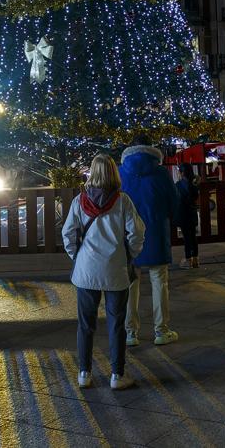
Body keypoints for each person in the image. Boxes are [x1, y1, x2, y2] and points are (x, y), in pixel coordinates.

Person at [63, 153, 144, 391]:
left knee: (85, 324)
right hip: (115, 269)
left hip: (87, 270)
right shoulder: (123, 201)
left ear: (92, 173)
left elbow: (68, 233)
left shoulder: (79, 201)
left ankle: (84, 373)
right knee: (117, 323)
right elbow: (137, 233)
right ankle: (117, 374)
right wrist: (130, 254)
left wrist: (76, 256)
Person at [119, 134, 180, 345]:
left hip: (128, 234)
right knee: (160, 281)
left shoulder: (121, 172)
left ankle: (130, 333)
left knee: (130, 283)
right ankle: (161, 330)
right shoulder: (161, 172)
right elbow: (174, 201)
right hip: (156, 231)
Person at [175, 163, 200, 270]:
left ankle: (188, 258)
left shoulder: (178, 185)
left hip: (183, 213)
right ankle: (195, 259)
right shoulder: (194, 185)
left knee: (186, 237)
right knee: (193, 236)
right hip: (192, 213)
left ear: (182, 173)